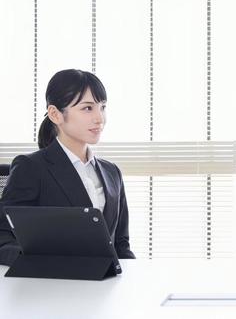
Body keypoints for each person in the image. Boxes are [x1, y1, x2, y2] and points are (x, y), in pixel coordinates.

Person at [0, 69, 135, 266]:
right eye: (87, 108)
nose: (100, 118)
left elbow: (121, 246)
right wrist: (48, 263)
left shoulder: (111, 172)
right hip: (53, 288)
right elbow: (3, 238)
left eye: (102, 107)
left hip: (106, 288)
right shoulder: (31, 168)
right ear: (55, 114)